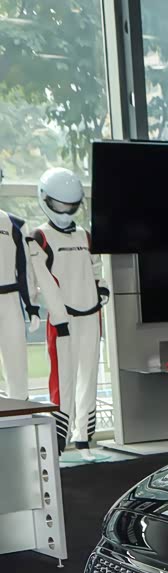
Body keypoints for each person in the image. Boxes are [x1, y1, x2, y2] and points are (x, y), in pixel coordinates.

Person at [27, 167, 107, 450]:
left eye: (70, 206)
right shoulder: (39, 237)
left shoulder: (85, 236)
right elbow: (43, 280)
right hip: (63, 319)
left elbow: (96, 266)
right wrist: (59, 316)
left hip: (91, 314)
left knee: (89, 375)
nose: (64, 211)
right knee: (64, 378)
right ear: (45, 199)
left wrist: (101, 287)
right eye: (59, 205)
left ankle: (83, 435)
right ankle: (60, 439)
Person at [0, 167, 40, 400]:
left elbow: (24, 269)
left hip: (10, 301)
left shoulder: (14, 223)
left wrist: (32, 307)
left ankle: (19, 415)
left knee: (17, 364)